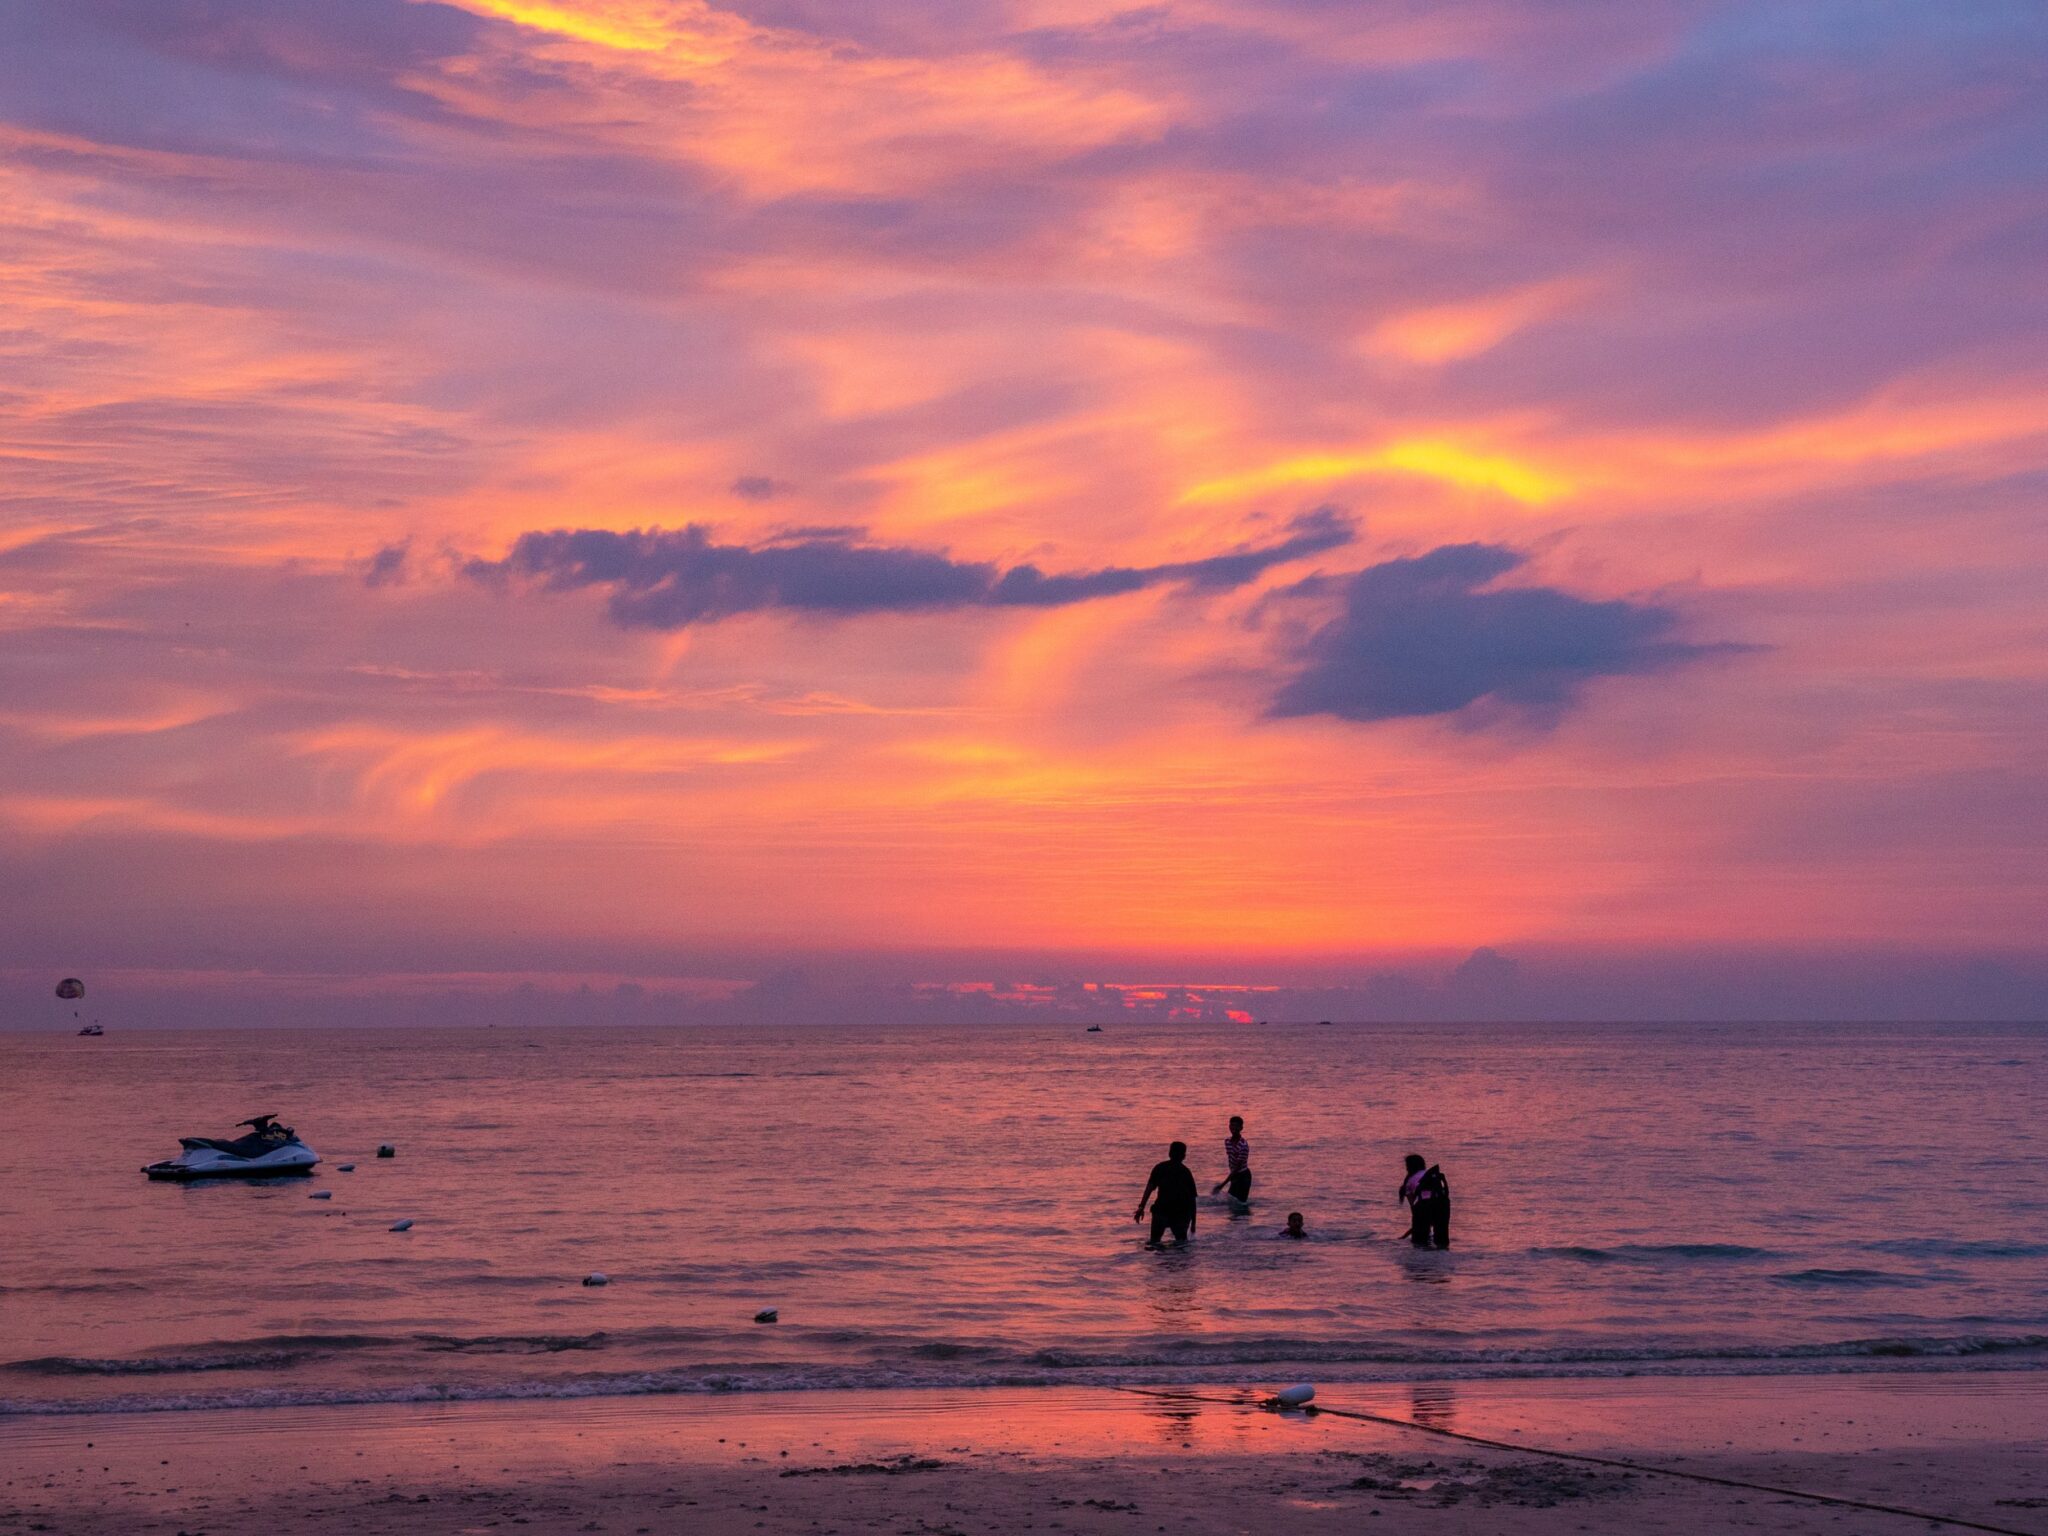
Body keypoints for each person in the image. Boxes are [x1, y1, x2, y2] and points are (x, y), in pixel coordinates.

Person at [1135, 1141, 1199, 1248]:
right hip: (1180, 1213)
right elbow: (1192, 1199)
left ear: (1169, 1153)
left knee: (1154, 1243)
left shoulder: (1160, 1168)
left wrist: (1141, 1207)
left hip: (1161, 1211)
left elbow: (1149, 1188)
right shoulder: (1186, 1172)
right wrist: (1193, 1223)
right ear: (1184, 1156)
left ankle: (1159, 1263)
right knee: (1181, 1245)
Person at [1399, 1153, 1450, 1248]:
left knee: (1419, 1243)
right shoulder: (1431, 1175)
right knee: (1442, 1243)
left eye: (1406, 1166)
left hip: (1424, 1206)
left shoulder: (1409, 1182)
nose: (1406, 1169)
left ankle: (1423, 1261)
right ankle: (1443, 1260)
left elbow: (1414, 1209)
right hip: (1443, 1204)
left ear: (1410, 1167)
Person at [1212, 1115, 1252, 1203]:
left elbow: (1237, 1167)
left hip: (1243, 1176)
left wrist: (1222, 1184)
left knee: (1240, 1203)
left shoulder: (1243, 1145)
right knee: (1232, 1202)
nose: (1234, 1128)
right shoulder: (1227, 1142)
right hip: (1235, 1175)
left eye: (1236, 1126)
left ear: (1241, 1128)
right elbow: (1231, 1159)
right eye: (1232, 1125)